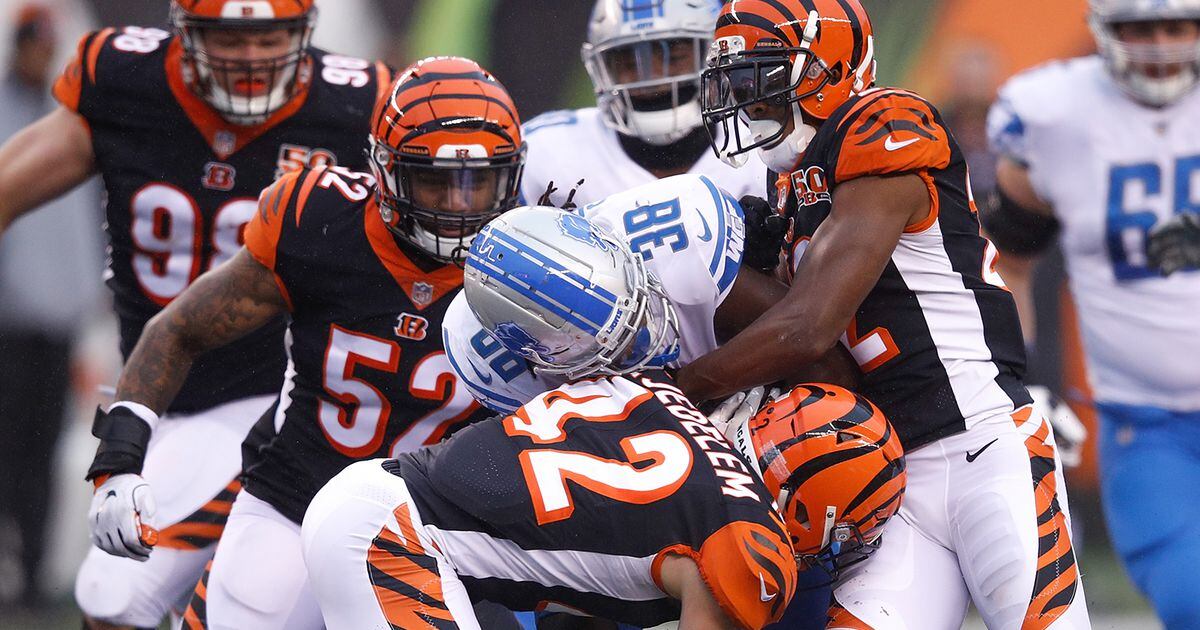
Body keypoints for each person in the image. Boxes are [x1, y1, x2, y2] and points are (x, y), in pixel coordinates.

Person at [676, 0, 1092, 627]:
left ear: (825, 68)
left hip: (985, 443)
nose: (749, 108)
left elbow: (806, 326)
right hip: (896, 481)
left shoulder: (885, 124)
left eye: (760, 87)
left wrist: (677, 391)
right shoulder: (792, 190)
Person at [300, 205, 908, 630]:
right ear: (809, 506)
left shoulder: (659, 398)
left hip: (392, 504)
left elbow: (583, 576)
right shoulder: (751, 540)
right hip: (397, 540)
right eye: (845, 530)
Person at [82, 56, 523, 629]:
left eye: (478, 181)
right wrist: (119, 458)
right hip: (295, 499)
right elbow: (179, 328)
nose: (459, 205)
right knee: (131, 603)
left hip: (439, 525)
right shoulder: (319, 222)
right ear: (385, 171)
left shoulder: (533, 266)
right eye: (435, 180)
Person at [0, 1, 389, 627]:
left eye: (271, 37)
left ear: (304, 32)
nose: (252, 58)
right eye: (229, 36)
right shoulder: (128, 81)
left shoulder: (355, 106)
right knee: (112, 600)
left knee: (130, 597)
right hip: (157, 388)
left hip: (284, 394)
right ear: (184, 31)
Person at [986, 1, 1200, 626]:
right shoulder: (1056, 116)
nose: (1158, 46)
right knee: (1190, 601)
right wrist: (1014, 381)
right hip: (1145, 421)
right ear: (1106, 32)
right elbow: (1012, 263)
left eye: (1175, 27)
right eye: (1140, 29)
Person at [0, 4, 103, 609]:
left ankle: (32, 571)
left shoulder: (69, 120)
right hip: (6, 323)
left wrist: (83, 297)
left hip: (54, 322)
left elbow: (76, 229)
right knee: (10, 448)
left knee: (41, 447)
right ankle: (14, 568)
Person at [520, 0, 767, 210]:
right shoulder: (545, 153)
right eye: (629, 61)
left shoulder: (762, 148)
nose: (654, 79)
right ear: (601, 65)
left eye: (675, 55)